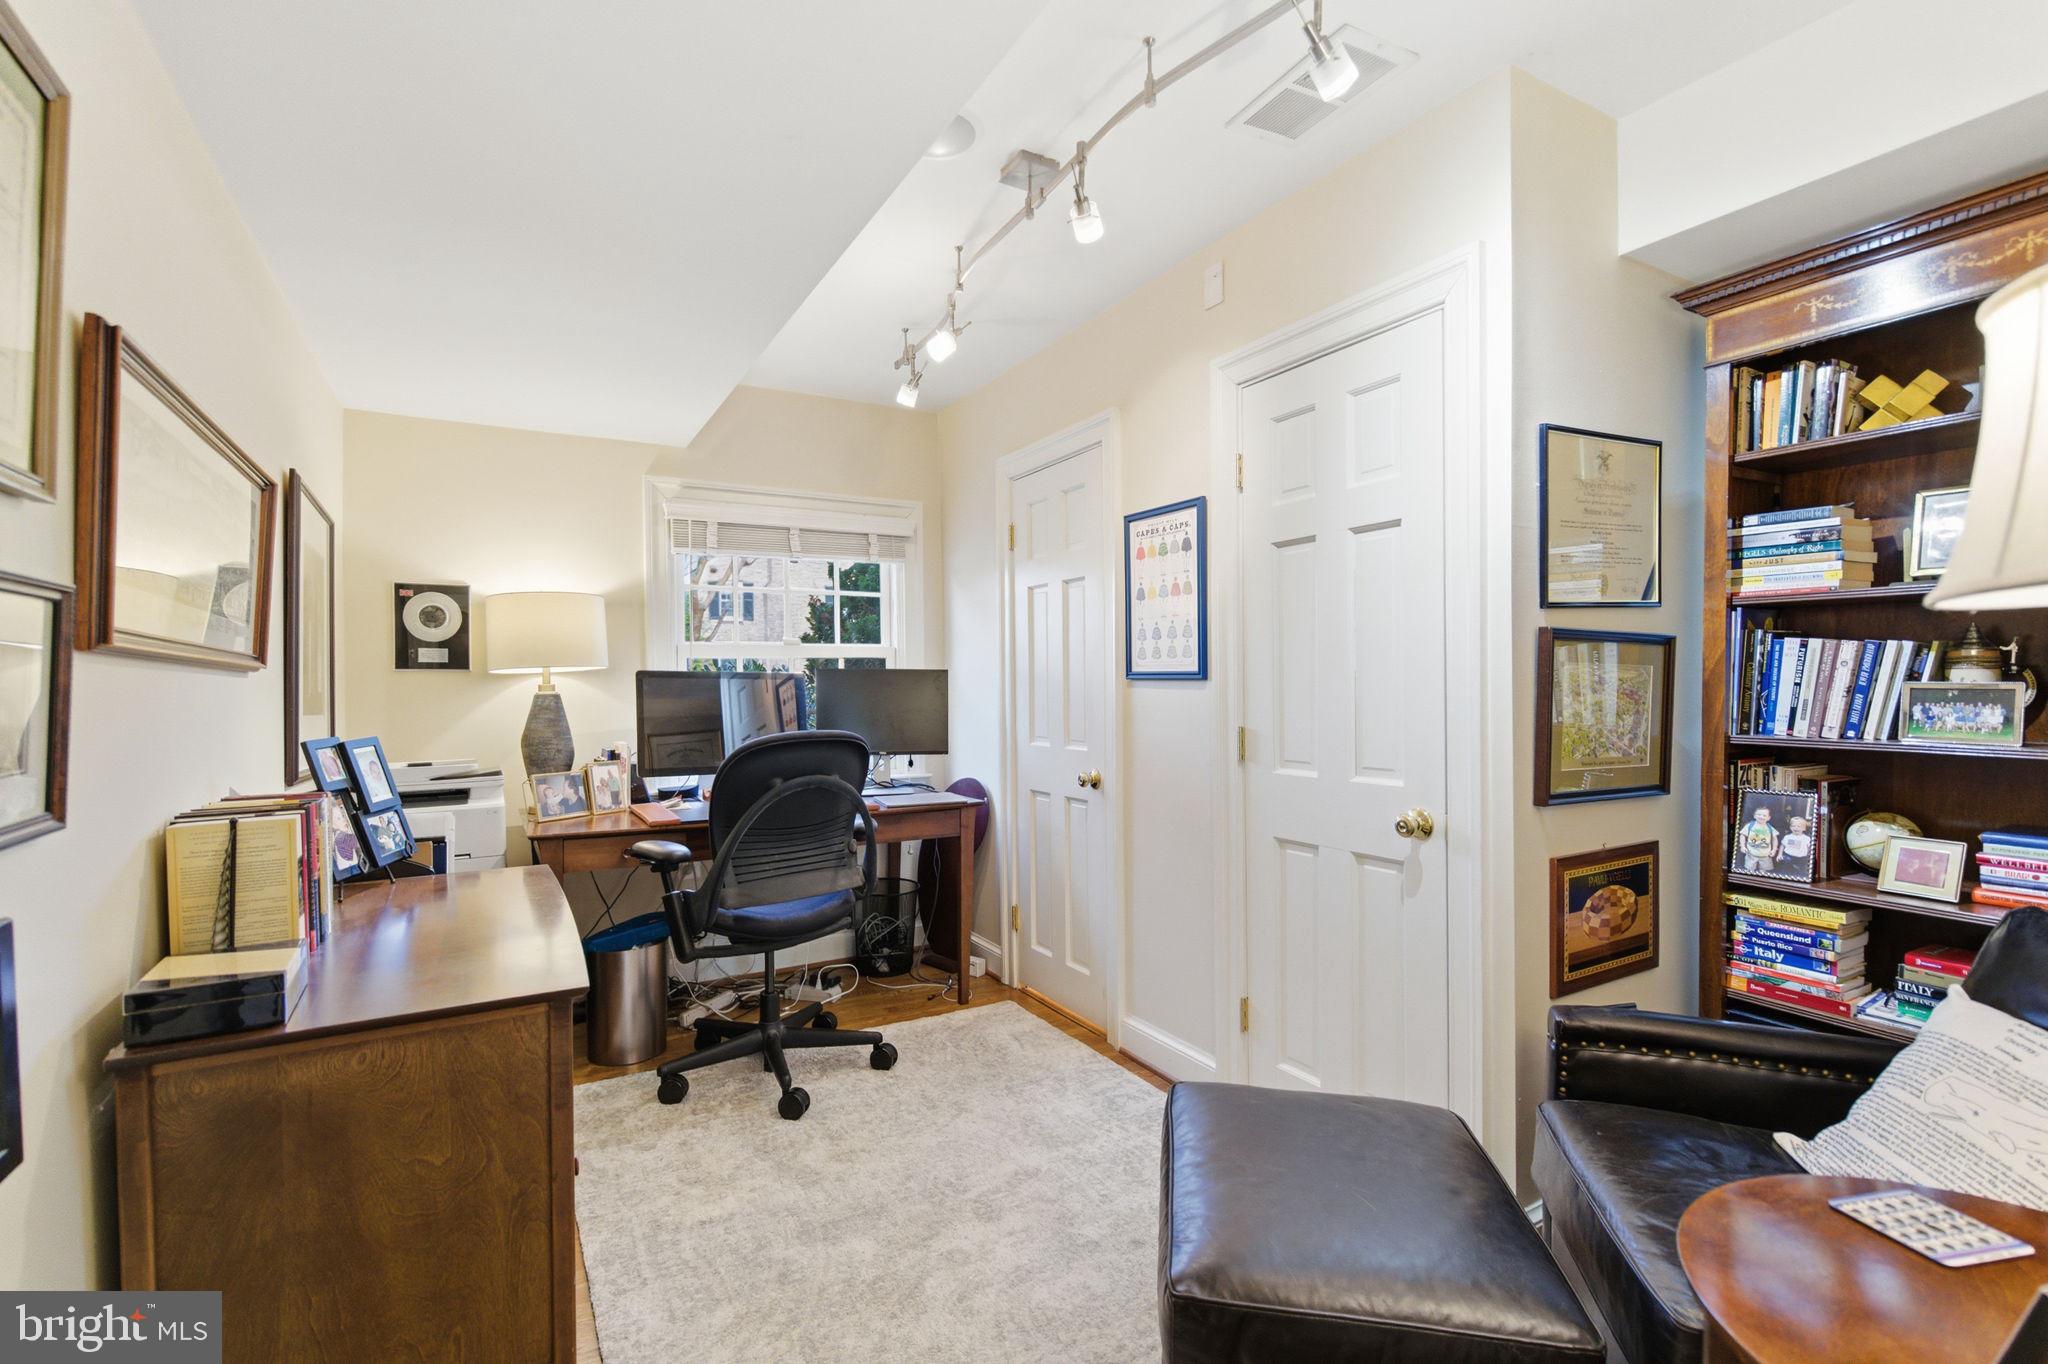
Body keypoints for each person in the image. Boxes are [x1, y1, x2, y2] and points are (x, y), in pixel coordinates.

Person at [1737, 803, 1780, 874]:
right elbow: (1742, 835)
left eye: (1764, 815)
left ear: (1769, 818)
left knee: (1764, 872)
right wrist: (1742, 846)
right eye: (1759, 814)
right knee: (1749, 870)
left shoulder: (1770, 828)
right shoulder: (1750, 825)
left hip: (1765, 855)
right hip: (1751, 854)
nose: (1761, 817)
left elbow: (1774, 839)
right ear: (1754, 816)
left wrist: (1774, 849)